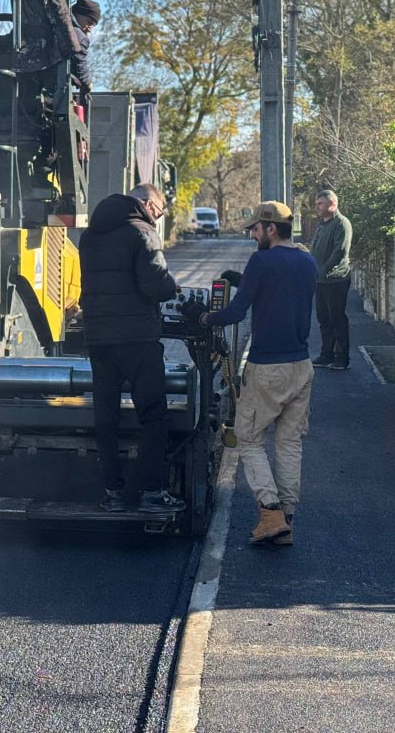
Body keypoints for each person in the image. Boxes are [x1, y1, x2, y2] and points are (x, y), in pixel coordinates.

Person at [197, 201, 317, 545]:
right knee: (289, 442)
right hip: (301, 366)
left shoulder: (262, 260)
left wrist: (206, 319)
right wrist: (243, 280)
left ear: (271, 228)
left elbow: (236, 312)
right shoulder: (308, 261)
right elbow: (282, 293)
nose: (252, 234)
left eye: (255, 229)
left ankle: (269, 511)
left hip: (267, 367)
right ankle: (287, 519)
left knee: (248, 439)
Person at [79, 183, 184, 514]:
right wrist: (172, 287)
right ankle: (152, 491)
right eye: (159, 210)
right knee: (153, 414)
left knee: (106, 416)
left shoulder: (90, 235)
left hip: (99, 338)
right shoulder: (142, 233)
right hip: (137, 337)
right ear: (145, 202)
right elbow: (155, 283)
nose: (158, 216)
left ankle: (113, 492)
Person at [311, 189, 353, 370]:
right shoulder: (322, 224)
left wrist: (325, 271)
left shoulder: (341, 224)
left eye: (320, 203)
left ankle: (341, 358)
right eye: (317, 203)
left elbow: (340, 251)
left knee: (337, 319)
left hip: (336, 280)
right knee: (323, 318)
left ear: (332, 204)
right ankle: (326, 354)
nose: (317, 207)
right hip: (320, 280)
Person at [69, 0, 101, 101]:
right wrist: (87, 83)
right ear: (78, 15)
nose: (89, 29)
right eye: (89, 22)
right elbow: (80, 65)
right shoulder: (78, 36)